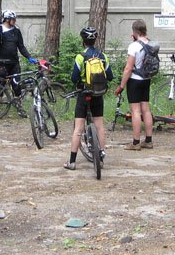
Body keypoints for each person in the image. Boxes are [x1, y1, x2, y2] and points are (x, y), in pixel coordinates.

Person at [64, 27, 111, 170]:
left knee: (78, 128)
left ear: (83, 41)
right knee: (99, 126)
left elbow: (74, 78)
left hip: (84, 94)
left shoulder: (80, 57)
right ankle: (101, 157)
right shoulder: (103, 56)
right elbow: (110, 76)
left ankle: (72, 162)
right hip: (98, 94)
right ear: (95, 40)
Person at [114, 19, 155, 151]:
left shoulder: (134, 46)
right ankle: (148, 140)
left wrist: (121, 86)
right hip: (146, 79)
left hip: (135, 81)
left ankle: (136, 142)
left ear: (134, 32)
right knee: (146, 110)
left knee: (135, 111)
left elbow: (128, 68)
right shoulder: (150, 44)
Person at [0, 10, 35, 98]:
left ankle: (18, 104)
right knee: (0, 86)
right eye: (13, 19)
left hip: (14, 63)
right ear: (7, 19)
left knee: (16, 85)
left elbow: (21, 46)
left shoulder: (16, 31)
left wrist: (29, 57)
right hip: (1, 63)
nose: (15, 21)